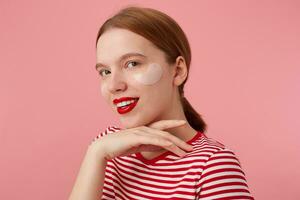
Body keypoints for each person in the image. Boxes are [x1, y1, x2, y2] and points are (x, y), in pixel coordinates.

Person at [69, 6, 254, 200]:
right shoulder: (108, 148)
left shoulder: (213, 165)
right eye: (105, 72)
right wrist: (96, 154)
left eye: (132, 63)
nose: (114, 85)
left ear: (178, 71)